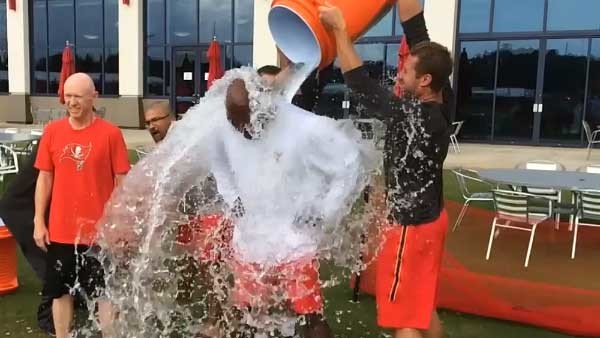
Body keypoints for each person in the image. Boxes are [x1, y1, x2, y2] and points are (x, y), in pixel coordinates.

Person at [319, 2, 453, 338]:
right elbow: (421, 40)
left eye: (406, 71)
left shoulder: (413, 117)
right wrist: (409, 13)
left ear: (424, 81)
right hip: (432, 221)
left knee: (402, 318)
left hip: (410, 229)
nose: (399, 74)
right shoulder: (443, 99)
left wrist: (339, 30)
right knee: (421, 307)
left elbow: (361, 86)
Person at [33, 73, 131, 338]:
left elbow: (123, 182)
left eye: (77, 96)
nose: (71, 102)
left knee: (105, 294)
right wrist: (39, 220)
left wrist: (120, 224)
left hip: (100, 232)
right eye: (68, 96)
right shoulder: (52, 131)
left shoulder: (111, 134)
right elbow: (45, 177)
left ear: (93, 97)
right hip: (61, 230)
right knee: (60, 291)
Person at [0, 144, 55, 336]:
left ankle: (71, 300)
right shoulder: (55, 139)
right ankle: (47, 319)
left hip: (34, 206)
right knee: (48, 260)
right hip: (21, 209)